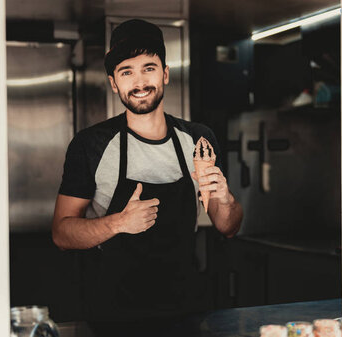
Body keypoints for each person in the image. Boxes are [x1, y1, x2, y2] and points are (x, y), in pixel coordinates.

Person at [52, 19, 243, 336]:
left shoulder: (197, 139)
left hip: (187, 312)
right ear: (114, 83)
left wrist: (226, 199)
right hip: (114, 318)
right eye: (127, 72)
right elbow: (61, 234)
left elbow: (229, 226)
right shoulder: (91, 145)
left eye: (148, 68)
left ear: (165, 73)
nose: (139, 81)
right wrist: (118, 223)